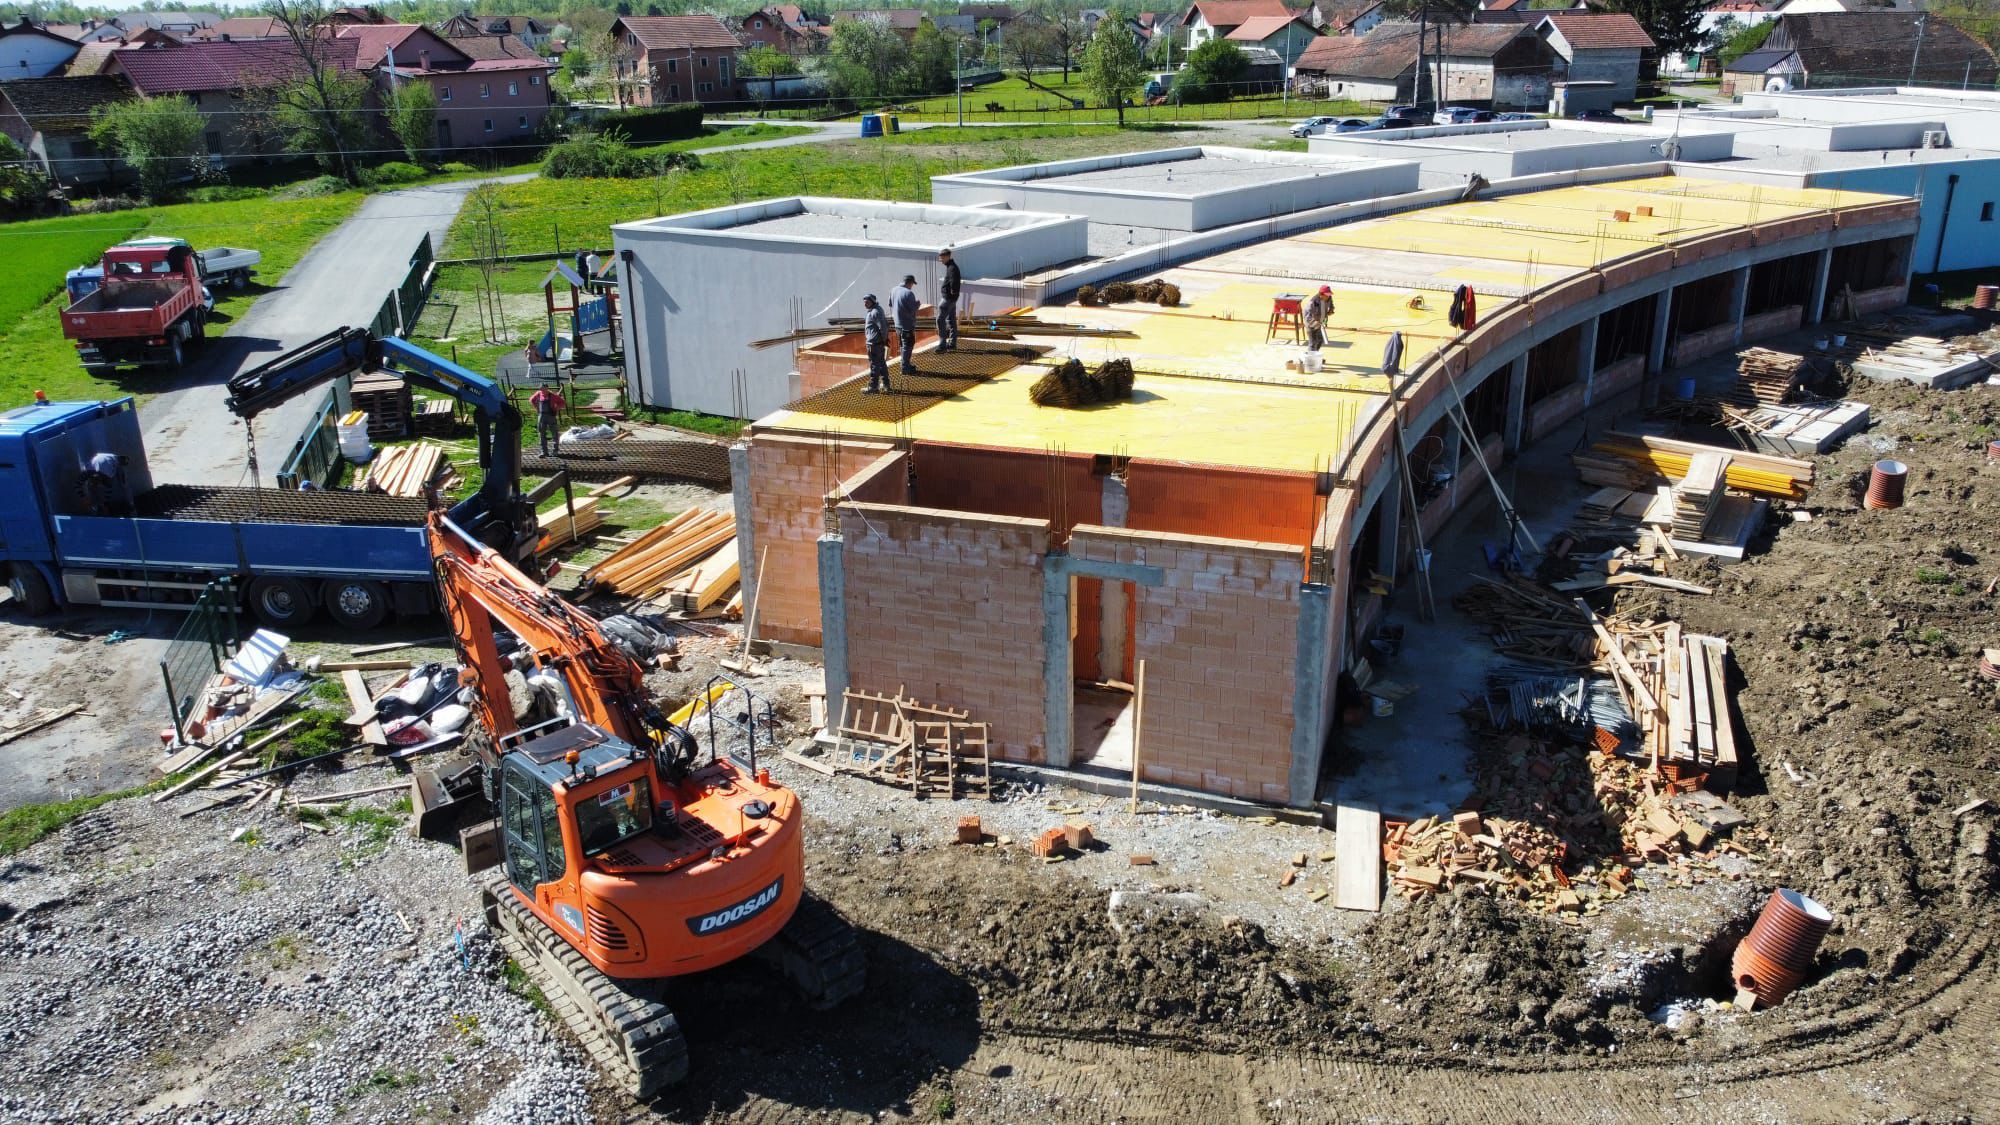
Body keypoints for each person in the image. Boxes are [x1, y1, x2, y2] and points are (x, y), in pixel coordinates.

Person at [890, 274, 921, 376]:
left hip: (897, 325)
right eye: (912, 284)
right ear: (910, 283)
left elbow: (891, 304)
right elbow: (912, 309)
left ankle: (905, 364)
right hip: (907, 325)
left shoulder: (893, 290)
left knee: (903, 346)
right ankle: (905, 367)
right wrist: (917, 304)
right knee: (908, 346)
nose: (912, 286)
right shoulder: (909, 293)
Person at [861, 294, 891, 394]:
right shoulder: (877, 310)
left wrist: (884, 339)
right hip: (877, 343)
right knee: (881, 364)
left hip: (874, 344)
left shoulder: (875, 312)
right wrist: (884, 339)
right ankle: (886, 385)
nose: (865, 304)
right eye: (864, 302)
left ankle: (873, 387)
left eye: (867, 302)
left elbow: (883, 327)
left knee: (874, 365)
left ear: (872, 301)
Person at [936, 248, 961, 353]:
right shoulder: (951, 267)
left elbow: (954, 283)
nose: (940, 259)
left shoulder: (951, 268)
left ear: (947, 256)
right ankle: (952, 343)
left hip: (948, 299)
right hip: (951, 299)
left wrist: (951, 295)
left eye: (941, 257)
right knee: (951, 320)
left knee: (940, 320)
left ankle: (942, 345)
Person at [529, 384, 566, 455]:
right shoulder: (538, 394)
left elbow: (562, 403)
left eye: (543, 389)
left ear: (547, 388)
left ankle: (555, 451)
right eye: (540, 389)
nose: (541, 390)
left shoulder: (552, 395)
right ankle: (544, 452)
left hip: (551, 416)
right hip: (541, 416)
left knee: (554, 433)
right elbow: (531, 400)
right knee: (541, 433)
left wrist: (556, 408)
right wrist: (537, 408)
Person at [1304, 285, 1333, 351]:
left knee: (1320, 340)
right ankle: (1309, 358)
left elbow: (1331, 304)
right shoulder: (1313, 302)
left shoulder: (1329, 298)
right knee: (1312, 343)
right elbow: (1307, 316)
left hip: (1320, 323)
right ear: (1321, 294)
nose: (1328, 296)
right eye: (1327, 295)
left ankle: (1315, 355)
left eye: (1329, 295)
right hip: (1311, 325)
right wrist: (1314, 323)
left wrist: (1331, 310)